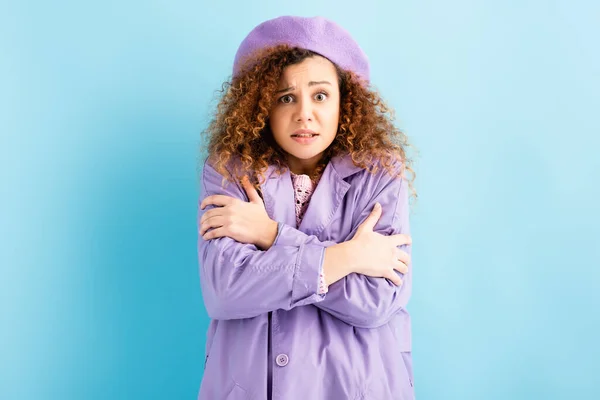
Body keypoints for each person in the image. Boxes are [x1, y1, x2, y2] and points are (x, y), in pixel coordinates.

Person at [197, 15, 416, 400]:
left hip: (354, 385)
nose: (304, 114)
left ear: (344, 102)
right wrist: (348, 256)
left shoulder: (380, 172)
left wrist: (270, 235)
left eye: (319, 95)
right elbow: (226, 290)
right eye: (285, 97)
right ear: (261, 106)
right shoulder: (230, 171)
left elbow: (375, 300)